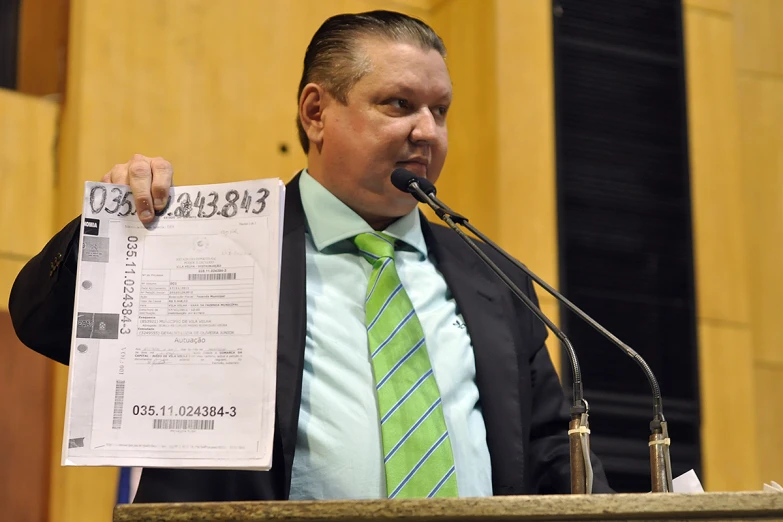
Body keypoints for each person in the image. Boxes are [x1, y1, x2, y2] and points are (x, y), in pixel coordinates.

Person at [9, 10, 611, 501]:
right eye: (398, 104)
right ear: (317, 112)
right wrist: (112, 227)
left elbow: (551, 451)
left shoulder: (493, 275)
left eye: (440, 110)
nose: (427, 131)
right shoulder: (208, 248)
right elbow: (41, 318)